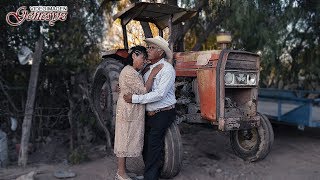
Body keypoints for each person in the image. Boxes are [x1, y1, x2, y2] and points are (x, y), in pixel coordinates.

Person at [123, 36, 176, 180]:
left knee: (153, 146)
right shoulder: (147, 68)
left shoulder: (167, 69)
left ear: (161, 52)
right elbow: (140, 86)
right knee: (145, 145)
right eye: (148, 47)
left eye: (151, 48)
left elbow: (159, 94)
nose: (148, 50)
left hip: (162, 112)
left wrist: (135, 99)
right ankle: (151, 172)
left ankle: (150, 177)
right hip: (148, 113)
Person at [114, 45, 163, 180]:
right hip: (127, 111)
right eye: (143, 57)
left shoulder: (133, 71)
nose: (144, 61)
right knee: (123, 139)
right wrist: (153, 74)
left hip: (130, 110)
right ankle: (121, 173)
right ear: (134, 55)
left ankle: (123, 170)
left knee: (126, 138)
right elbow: (143, 90)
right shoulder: (129, 72)